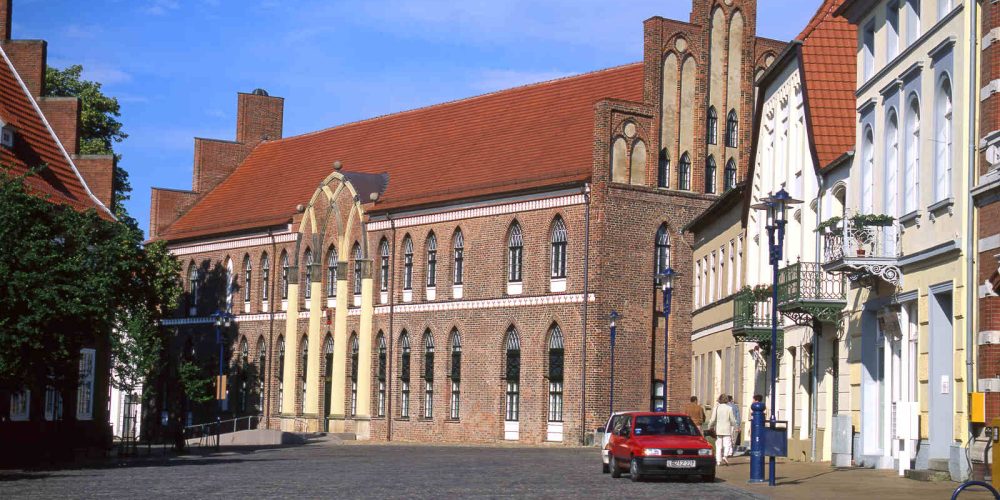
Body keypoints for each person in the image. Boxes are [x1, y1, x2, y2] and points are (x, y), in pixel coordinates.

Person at [705, 393, 738, 465]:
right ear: (726, 400)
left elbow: (713, 419)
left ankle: (718, 461)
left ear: (720, 399)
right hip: (727, 429)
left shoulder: (716, 408)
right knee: (727, 444)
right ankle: (725, 456)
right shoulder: (729, 408)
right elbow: (732, 420)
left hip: (718, 429)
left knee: (718, 445)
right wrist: (736, 427)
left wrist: (709, 426)